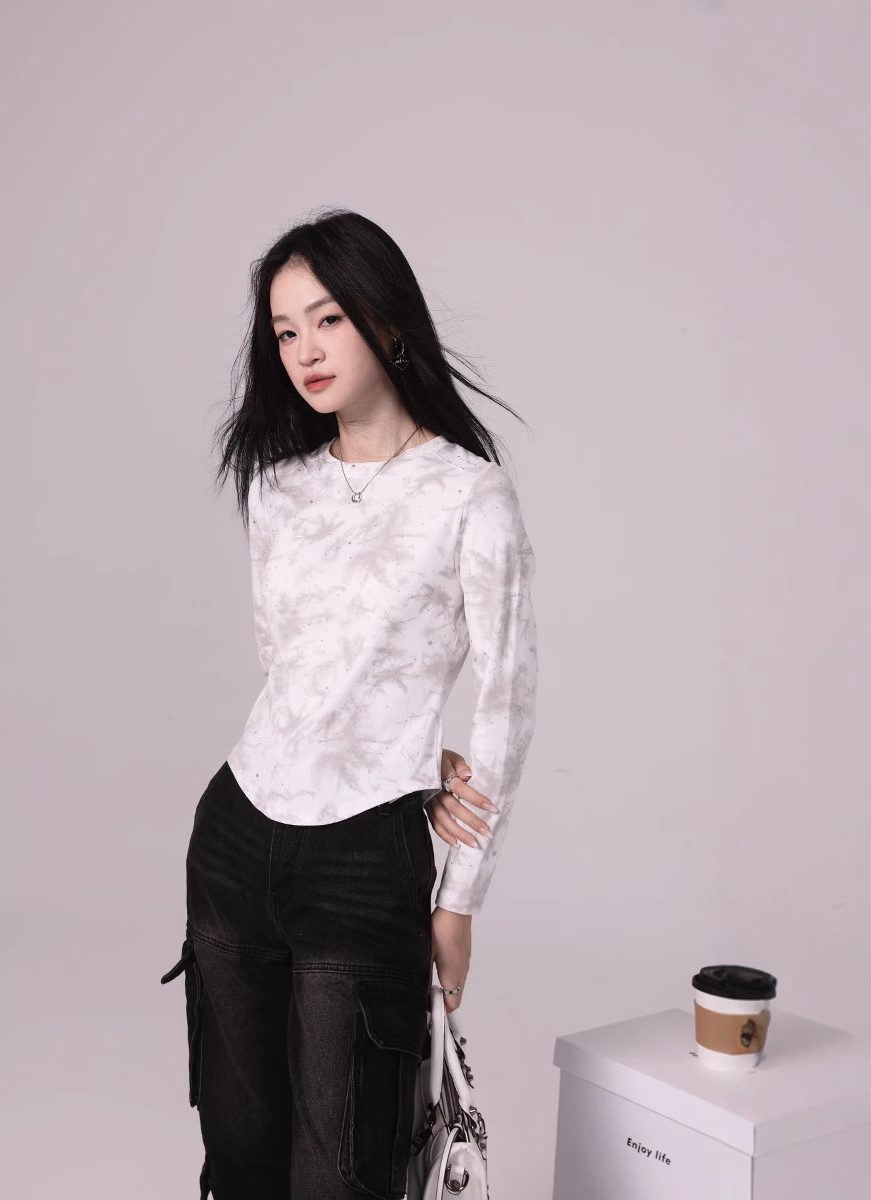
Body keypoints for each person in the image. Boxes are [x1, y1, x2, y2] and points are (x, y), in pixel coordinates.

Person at [160, 208, 538, 1200]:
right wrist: (404, 743)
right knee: (239, 1156)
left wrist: (457, 900)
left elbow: (508, 699)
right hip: (235, 839)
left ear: (387, 319)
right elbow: (294, 670)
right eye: (285, 331)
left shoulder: (470, 496)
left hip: (365, 865)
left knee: (344, 1173)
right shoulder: (277, 488)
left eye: (327, 320)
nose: (306, 351)